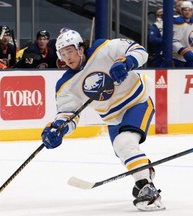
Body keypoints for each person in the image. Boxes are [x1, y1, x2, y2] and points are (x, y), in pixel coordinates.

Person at [41, 30, 165, 211]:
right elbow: (68, 114)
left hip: (137, 101)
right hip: (113, 119)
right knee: (123, 151)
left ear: (80, 48)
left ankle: (149, 190)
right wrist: (58, 128)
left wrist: (127, 62)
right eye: (63, 54)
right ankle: (144, 172)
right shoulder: (65, 85)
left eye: (70, 51)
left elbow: (139, 51)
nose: (67, 57)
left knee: (124, 143)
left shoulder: (103, 48)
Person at [172, 1, 193, 67]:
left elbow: (192, 39)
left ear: (192, 11)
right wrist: (183, 50)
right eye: (185, 10)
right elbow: (173, 41)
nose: (187, 12)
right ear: (181, 11)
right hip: (177, 57)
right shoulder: (178, 22)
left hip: (190, 55)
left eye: (190, 10)